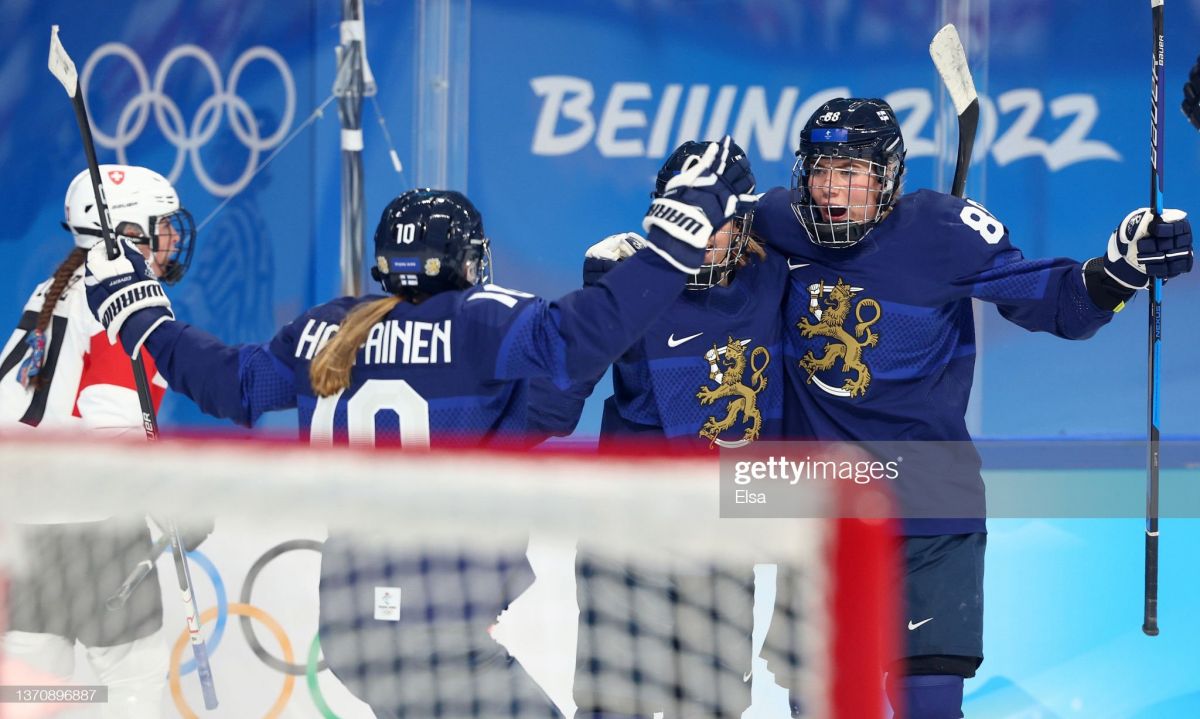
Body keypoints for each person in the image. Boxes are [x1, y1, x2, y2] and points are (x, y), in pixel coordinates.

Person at [79, 137, 754, 718]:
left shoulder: (331, 325)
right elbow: (577, 342)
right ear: (465, 260)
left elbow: (232, 384)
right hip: (439, 633)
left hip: (353, 631)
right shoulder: (477, 322)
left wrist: (144, 320)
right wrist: (673, 242)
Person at [751, 98, 1194, 718]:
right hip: (825, 513)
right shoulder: (774, 221)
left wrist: (1118, 271)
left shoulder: (947, 233)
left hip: (931, 506)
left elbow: (1059, 304)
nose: (833, 188)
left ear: (887, 177)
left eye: (853, 171)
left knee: (928, 707)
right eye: (822, 169)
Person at [529, 140, 795, 718]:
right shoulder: (628, 276)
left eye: (714, 222)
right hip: (626, 532)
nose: (700, 237)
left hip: (724, 538)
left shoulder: (779, 273)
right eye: (686, 218)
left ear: (744, 223)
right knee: (611, 708)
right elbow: (560, 389)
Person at [0, 164, 198, 718]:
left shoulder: (53, 288)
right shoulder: (125, 296)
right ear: (129, 232)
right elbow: (118, 430)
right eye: (163, 225)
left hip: (24, 532)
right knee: (130, 688)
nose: (175, 236)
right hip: (98, 533)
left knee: (35, 696)